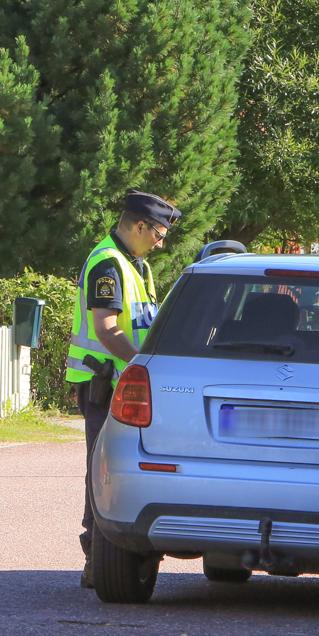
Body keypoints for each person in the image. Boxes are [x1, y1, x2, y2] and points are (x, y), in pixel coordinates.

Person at [66, 191, 181, 588]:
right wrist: (141, 367)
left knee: (118, 472)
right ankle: (96, 560)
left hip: (125, 386)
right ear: (139, 225)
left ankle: (107, 559)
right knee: (104, 474)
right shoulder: (108, 264)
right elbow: (106, 329)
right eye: (160, 233)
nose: (161, 242)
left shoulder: (137, 265)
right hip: (105, 384)